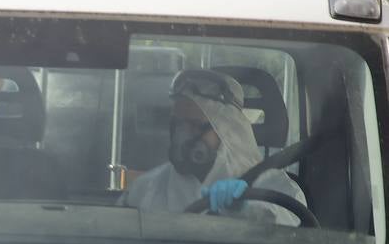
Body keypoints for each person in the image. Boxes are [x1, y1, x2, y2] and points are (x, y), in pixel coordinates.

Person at [123, 68, 306, 225]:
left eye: (195, 125)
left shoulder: (272, 184)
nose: (182, 136)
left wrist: (247, 209)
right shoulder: (147, 187)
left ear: (226, 130)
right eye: (178, 125)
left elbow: (292, 222)